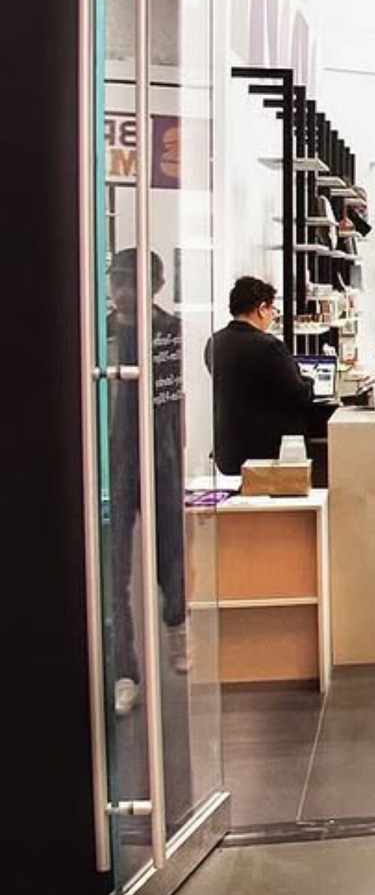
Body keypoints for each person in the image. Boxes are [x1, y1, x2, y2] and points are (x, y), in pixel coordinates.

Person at [107, 250, 186, 717]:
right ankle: (124, 671)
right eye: (117, 280)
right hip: (114, 457)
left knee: (170, 548)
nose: (122, 290)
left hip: (159, 453)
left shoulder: (167, 329)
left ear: (155, 285)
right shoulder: (102, 332)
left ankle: (176, 622)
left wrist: (175, 450)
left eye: (131, 281)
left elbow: (172, 395)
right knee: (114, 568)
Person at [211, 276, 316, 476]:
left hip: (228, 447)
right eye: (272, 310)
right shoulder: (270, 346)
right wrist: (308, 381)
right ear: (261, 308)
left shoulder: (214, 342)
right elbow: (297, 395)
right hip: (267, 449)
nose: (272, 316)